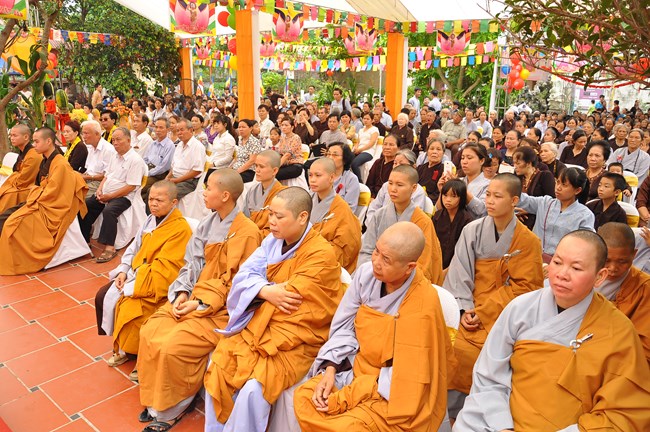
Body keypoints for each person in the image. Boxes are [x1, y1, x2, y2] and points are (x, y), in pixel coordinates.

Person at [454, 230, 650, 431]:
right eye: (557, 262)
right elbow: (489, 375)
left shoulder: (619, 330)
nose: (562, 275)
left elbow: (624, 411)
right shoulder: (520, 308)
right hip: (499, 422)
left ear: (599, 277)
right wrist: (501, 425)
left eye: (576, 268)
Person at [288, 222, 453, 432]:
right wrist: (329, 371)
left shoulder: (422, 304)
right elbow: (343, 327)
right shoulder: (365, 275)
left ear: (409, 267)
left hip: (387, 389)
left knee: (347, 428)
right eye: (376, 251)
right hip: (353, 366)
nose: (376, 262)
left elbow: (409, 375)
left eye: (386, 259)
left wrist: (353, 393)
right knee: (305, 397)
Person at [203, 187, 343, 432]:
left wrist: (261, 287)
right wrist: (265, 290)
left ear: (302, 217)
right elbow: (244, 276)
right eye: (270, 214)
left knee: (254, 388)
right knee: (218, 366)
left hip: (295, 340)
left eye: (279, 216)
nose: (272, 222)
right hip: (258, 330)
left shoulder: (320, 254)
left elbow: (292, 301)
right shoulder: (272, 242)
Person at [137, 169, 262, 431]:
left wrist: (200, 303)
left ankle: (172, 408)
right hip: (194, 295)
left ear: (225, 195)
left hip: (220, 309)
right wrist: (182, 293)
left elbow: (241, 284)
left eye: (208, 188)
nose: (203, 193)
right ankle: (154, 401)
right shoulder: (208, 223)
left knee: (172, 345)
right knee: (150, 330)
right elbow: (191, 263)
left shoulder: (248, 232)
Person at [445, 173, 544, 420]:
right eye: (487, 194)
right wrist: (463, 309)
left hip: (502, 313)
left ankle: (478, 414)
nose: (489, 201)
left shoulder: (528, 241)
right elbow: (459, 272)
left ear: (514, 201)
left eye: (497, 196)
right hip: (467, 304)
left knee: (482, 353)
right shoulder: (472, 230)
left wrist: (484, 312)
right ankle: (449, 413)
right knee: (448, 345)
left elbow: (527, 288)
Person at [94, 181, 192, 379]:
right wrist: (123, 271)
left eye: (159, 200)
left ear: (173, 202)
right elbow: (133, 249)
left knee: (133, 307)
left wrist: (135, 283)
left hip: (158, 284)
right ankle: (126, 349)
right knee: (102, 296)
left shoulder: (180, 229)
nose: (153, 204)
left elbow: (168, 268)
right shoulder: (150, 220)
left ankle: (144, 358)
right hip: (137, 274)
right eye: (151, 199)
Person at [0, 127, 88, 275]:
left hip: (51, 207)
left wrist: (35, 192)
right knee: (4, 216)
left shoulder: (60, 164)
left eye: (36, 141)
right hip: (38, 200)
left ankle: (15, 260)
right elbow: (40, 185)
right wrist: (35, 192)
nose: (34, 145)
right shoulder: (46, 160)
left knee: (11, 223)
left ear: (48, 141)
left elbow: (53, 193)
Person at [359, 165, 443, 284]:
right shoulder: (379, 215)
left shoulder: (422, 221)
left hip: (405, 280)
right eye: (390, 183)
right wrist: (370, 275)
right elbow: (367, 251)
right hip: (375, 274)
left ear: (413, 188)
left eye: (399, 185)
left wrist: (393, 277)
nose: (393, 189)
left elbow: (424, 264)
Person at [79, 127, 148, 263]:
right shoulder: (114, 156)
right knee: (84, 206)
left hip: (124, 196)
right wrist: (100, 190)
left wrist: (110, 197)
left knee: (109, 211)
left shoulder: (135, 160)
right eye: (113, 140)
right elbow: (107, 176)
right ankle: (84, 240)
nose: (115, 143)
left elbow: (131, 187)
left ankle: (110, 248)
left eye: (118, 140)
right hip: (106, 193)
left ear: (128, 140)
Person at [597, 223, 650, 363]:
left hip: (613, 357)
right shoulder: (580, 272)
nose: (613, 268)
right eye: (607, 260)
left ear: (634, 254)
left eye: (622, 261)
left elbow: (644, 348)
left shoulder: (644, 287)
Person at [517, 167, 595, 258]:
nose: (558, 188)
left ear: (577, 190)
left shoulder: (585, 215)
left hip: (561, 260)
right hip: (534, 256)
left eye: (564, 185)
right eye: (557, 182)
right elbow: (523, 200)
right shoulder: (545, 202)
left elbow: (585, 244)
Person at [308, 158, 362, 273]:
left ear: (331, 178)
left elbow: (344, 248)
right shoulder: (307, 199)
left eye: (318, 175)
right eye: (310, 175)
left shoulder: (341, 209)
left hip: (322, 261)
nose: (312, 180)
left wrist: (313, 253)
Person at [242, 150, 286, 236]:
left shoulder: (282, 194)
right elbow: (244, 218)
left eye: (261, 167)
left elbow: (279, 226)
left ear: (274, 171)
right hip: (249, 235)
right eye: (256, 166)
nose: (257, 170)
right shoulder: (252, 190)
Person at [433, 179, 474, 269]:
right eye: (445, 195)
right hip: (436, 262)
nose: (448, 200)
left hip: (458, 265)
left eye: (454, 196)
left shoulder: (467, 219)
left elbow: (465, 249)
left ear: (461, 198)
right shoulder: (437, 216)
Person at [0, 124, 41, 214]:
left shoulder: (33, 155)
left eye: (15, 136)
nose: (12, 138)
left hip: (28, 189)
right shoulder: (24, 152)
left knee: (8, 195)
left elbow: (23, 181)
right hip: (19, 185)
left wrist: (14, 178)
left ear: (26, 137)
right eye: (11, 135)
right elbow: (17, 172)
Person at [513, 146, 556, 230]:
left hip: (537, 220)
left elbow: (551, 203)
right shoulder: (517, 177)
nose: (515, 166)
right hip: (517, 220)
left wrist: (529, 210)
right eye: (514, 163)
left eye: (518, 163)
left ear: (528, 163)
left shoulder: (545, 176)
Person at [166, 118, 206, 200]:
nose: (179, 133)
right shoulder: (179, 145)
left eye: (182, 130)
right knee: (153, 190)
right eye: (177, 130)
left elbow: (197, 170)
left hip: (189, 182)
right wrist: (167, 178)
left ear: (190, 130)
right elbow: (173, 166)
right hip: (175, 178)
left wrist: (177, 180)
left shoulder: (197, 146)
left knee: (165, 195)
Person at [141, 118, 175, 208]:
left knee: (140, 185)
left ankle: (144, 211)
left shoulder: (170, 145)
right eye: (156, 127)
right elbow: (145, 159)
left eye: (161, 127)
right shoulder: (153, 144)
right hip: (148, 170)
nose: (158, 130)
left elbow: (164, 167)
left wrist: (148, 173)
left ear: (168, 129)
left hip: (159, 175)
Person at [80, 119, 116, 198]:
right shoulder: (90, 147)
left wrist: (88, 177)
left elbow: (107, 176)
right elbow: (88, 170)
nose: (83, 136)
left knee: (75, 195)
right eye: (82, 133)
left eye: (86, 133)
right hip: (88, 179)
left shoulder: (108, 150)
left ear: (97, 134)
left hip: (100, 183)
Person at [327, 143, 359, 212]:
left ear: (345, 159)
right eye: (328, 154)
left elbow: (349, 209)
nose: (330, 158)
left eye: (335, 155)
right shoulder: (321, 175)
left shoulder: (351, 179)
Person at [350, 112, 379, 182]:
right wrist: (356, 148)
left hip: (368, 151)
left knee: (354, 164)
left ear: (372, 120)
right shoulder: (361, 130)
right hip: (358, 150)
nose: (365, 120)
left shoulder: (374, 129)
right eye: (364, 118)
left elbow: (371, 143)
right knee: (347, 160)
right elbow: (358, 142)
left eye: (368, 119)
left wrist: (360, 149)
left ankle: (359, 182)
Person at [417, 139, 445, 204]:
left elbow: (439, 193)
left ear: (443, 153)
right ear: (427, 152)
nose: (434, 152)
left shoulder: (444, 170)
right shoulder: (420, 168)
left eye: (438, 149)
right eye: (432, 149)